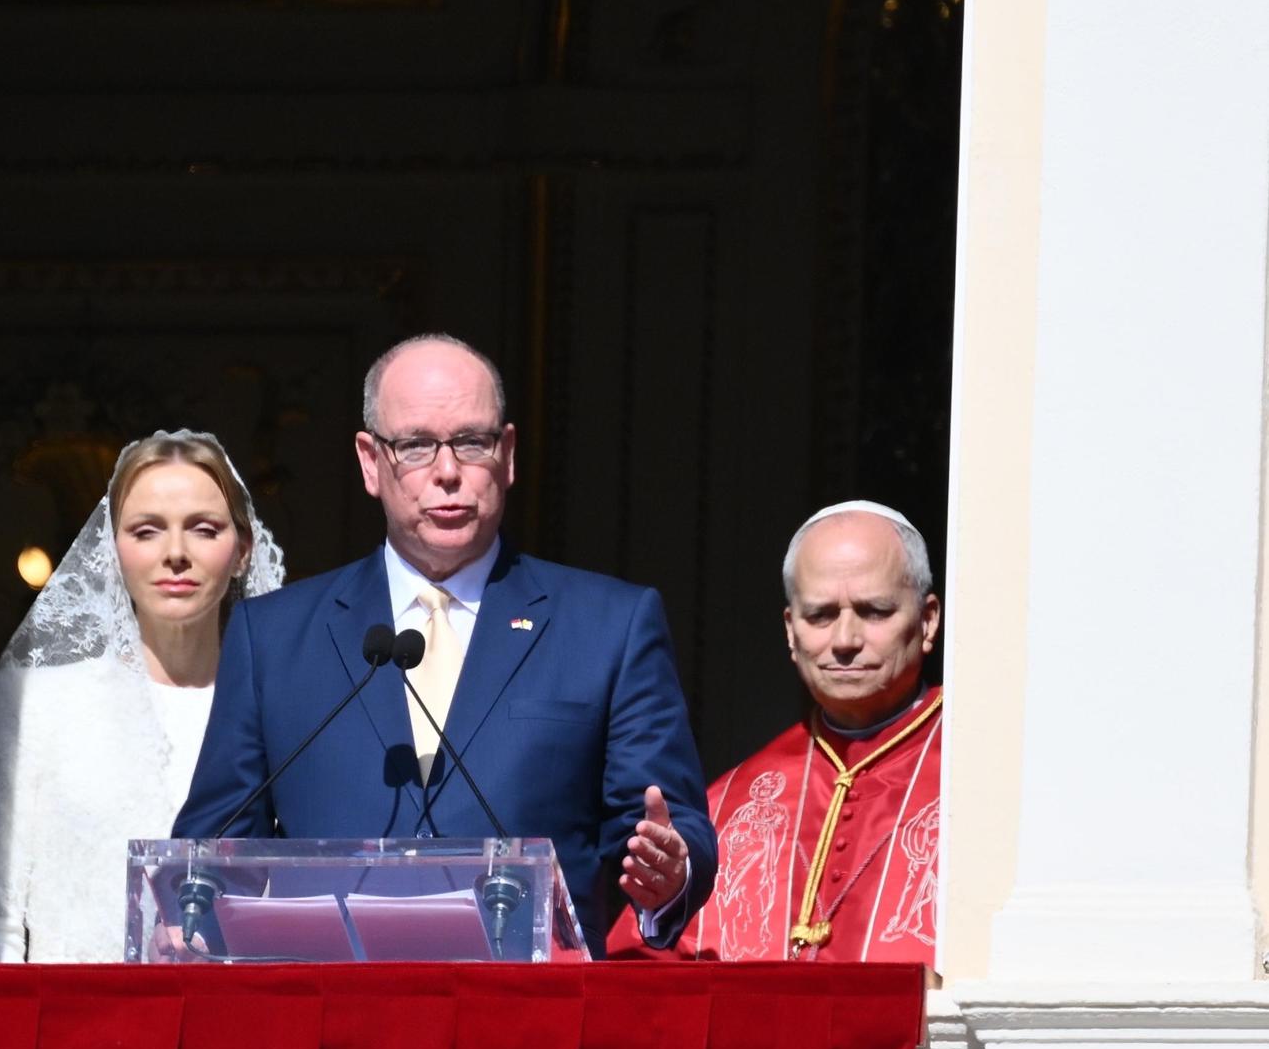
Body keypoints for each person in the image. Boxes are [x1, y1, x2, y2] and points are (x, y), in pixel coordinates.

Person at [172, 334, 715, 954]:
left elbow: (669, 826)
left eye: (471, 442)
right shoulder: (270, 637)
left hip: (531, 1020)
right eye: (416, 445)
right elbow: (211, 847)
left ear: (507, 455)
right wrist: (201, 908)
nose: (448, 471)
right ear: (371, 462)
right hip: (329, 1014)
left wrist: (669, 873)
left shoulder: (610, 626)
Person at [0, 429, 286, 960]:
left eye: (203, 530)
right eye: (146, 531)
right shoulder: (36, 703)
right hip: (73, 1027)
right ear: (113, 549)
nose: (175, 553)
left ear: (243, 551)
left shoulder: (284, 712)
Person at [608, 501, 942, 964]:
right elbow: (639, 977)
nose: (844, 640)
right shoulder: (730, 803)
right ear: (790, 630)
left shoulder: (986, 778)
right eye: (821, 615)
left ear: (928, 621)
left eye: (874, 611)